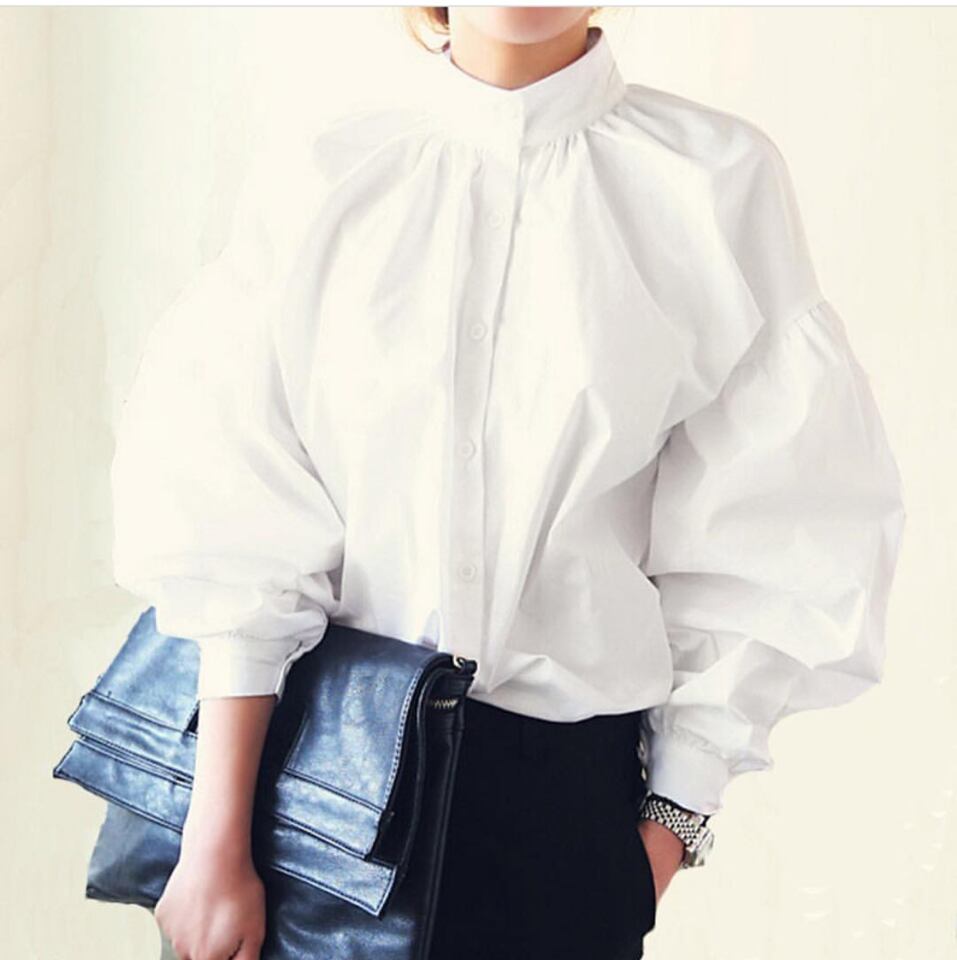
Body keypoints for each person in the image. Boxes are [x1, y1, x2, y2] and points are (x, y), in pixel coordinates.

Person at [112, 7, 906, 960]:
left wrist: (659, 836)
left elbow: (776, 530)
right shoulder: (326, 168)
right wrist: (213, 841)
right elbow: (239, 511)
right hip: (308, 793)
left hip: (559, 819)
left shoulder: (712, 181)